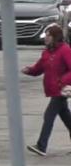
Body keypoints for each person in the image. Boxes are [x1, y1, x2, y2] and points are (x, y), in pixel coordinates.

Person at [21, 24, 71, 156]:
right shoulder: (47, 52)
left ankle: (41, 146)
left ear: (55, 37)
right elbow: (39, 68)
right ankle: (41, 146)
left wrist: (62, 81)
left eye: (48, 35)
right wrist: (29, 70)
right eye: (46, 35)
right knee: (67, 117)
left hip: (61, 90)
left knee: (48, 116)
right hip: (53, 89)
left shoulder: (65, 50)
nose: (46, 38)